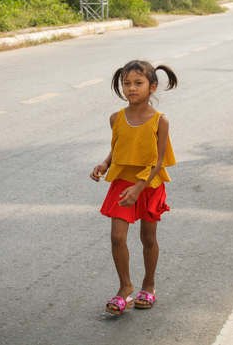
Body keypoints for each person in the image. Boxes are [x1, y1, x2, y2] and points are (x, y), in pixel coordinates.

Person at [90, 61, 178, 316]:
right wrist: (105, 164)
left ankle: (148, 285)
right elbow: (118, 146)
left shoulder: (160, 121)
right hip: (122, 182)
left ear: (152, 87)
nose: (131, 88)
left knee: (147, 238)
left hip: (148, 184)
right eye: (126, 83)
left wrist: (140, 187)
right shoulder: (116, 117)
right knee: (117, 237)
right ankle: (124, 287)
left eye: (138, 83)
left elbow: (158, 159)